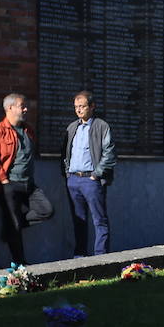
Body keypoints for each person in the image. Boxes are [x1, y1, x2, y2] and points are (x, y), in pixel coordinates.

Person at [62, 92, 117, 256]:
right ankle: (79, 256)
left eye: (82, 106)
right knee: (79, 221)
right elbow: (65, 153)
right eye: (76, 107)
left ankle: (100, 258)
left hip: (91, 180)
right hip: (73, 180)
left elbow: (109, 153)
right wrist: (67, 173)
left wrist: (96, 174)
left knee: (99, 220)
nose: (79, 110)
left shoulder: (101, 126)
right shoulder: (72, 127)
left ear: (92, 107)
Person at [0, 93, 34, 265]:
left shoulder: (28, 129)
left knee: (46, 210)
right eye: (22, 106)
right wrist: (4, 181)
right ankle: (21, 264)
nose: (26, 109)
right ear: (9, 108)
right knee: (14, 224)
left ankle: (9, 229)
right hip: (9, 184)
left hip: (28, 183)